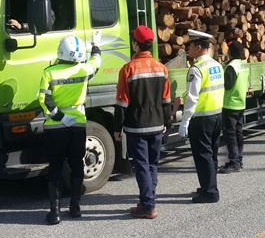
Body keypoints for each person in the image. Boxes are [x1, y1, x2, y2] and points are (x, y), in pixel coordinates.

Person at [38, 32, 101, 224]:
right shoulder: (84, 70)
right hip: (77, 125)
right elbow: (96, 62)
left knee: (55, 168)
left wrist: (60, 117)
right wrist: (95, 45)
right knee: (76, 165)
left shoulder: (49, 72)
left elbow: (43, 99)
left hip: (55, 127)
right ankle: (75, 207)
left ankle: (54, 212)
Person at [114, 26, 172, 220]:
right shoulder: (161, 68)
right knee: (153, 165)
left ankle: (148, 206)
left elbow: (122, 103)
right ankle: (148, 200)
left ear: (136, 44)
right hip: (157, 124)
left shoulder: (128, 69)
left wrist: (117, 129)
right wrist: (167, 124)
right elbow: (166, 101)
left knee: (141, 166)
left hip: (136, 126)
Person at [178, 30, 224, 203]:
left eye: (190, 45)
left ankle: (210, 192)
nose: (188, 49)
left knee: (202, 156)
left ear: (198, 47)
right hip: (216, 115)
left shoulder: (196, 69)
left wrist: (185, 122)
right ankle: (208, 186)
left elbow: (192, 98)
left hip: (201, 119)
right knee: (211, 155)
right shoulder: (216, 65)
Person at [219, 41, 249, 173]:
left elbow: (227, 85)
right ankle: (239, 160)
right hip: (240, 103)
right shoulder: (243, 65)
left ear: (230, 52)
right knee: (238, 133)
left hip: (230, 104)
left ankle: (234, 162)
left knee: (230, 135)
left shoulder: (231, 67)